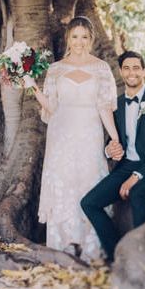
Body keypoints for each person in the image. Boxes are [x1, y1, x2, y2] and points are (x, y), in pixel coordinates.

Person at [29, 16, 120, 260]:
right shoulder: (56, 68)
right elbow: (51, 107)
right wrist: (32, 87)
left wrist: (114, 138)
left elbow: (105, 107)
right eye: (75, 36)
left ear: (91, 39)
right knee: (63, 185)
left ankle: (91, 250)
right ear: (68, 38)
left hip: (89, 133)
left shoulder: (101, 68)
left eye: (84, 37)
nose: (79, 42)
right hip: (61, 134)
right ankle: (61, 247)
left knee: (88, 183)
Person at [80, 50, 145, 263]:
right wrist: (110, 151)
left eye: (136, 67)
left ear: (143, 71)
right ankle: (119, 254)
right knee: (89, 203)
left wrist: (137, 175)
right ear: (121, 72)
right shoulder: (117, 105)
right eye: (126, 68)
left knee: (138, 192)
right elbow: (112, 141)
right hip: (126, 165)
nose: (131, 72)